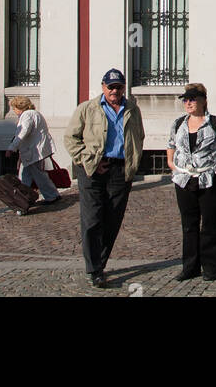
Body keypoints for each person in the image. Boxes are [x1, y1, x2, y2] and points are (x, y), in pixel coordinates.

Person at [65, 68, 144, 288]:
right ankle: (95, 269)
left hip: (120, 170)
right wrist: (88, 160)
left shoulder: (132, 109)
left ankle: (100, 262)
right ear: (103, 87)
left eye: (118, 86)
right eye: (111, 87)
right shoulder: (87, 108)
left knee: (112, 219)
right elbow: (71, 138)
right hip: (92, 169)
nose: (114, 91)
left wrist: (133, 161)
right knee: (92, 218)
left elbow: (139, 136)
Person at [166, 82, 216, 281]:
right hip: (183, 179)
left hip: (209, 178)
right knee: (188, 225)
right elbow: (171, 143)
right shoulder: (179, 123)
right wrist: (170, 162)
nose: (188, 103)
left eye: (193, 99)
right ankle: (189, 267)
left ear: (203, 101)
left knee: (210, 223)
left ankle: (211, 268)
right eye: (186, 100)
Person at [4, 96, 60, 205]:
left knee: (38, 175)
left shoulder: (27, 115)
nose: (14, 111)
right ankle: (25, 197)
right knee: (25, 175)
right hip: (34, 150)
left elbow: (23, 132)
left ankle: (51, 196)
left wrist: (12, 147)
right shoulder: (34, 114)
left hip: (33, 151)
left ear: (19, 107)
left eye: (14, 109)